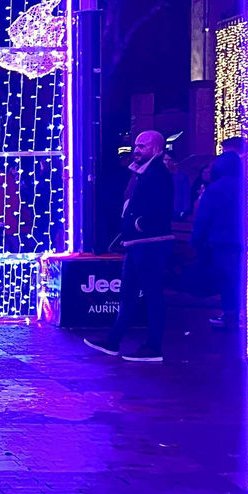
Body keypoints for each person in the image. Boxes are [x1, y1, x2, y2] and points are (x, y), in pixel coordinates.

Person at [86, 129, 174, 362]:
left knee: (151, 294)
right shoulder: (144, 173)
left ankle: (153, 346)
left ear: (156, 149)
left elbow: (162, 207)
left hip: (150, 243)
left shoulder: (157, 174)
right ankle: (114, 340)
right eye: (136, 146)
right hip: (138, 242)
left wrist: (139, 224)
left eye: (142, 146)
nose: (136, 150)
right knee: (129, 293)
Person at [190, 151, 243, 329]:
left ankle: (230, 315)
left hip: (222, 241)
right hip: (246, 239)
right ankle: (247, 314)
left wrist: (197, 239)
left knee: (227, 280)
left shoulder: (215, 188)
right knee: (244, 279)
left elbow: (203, 218)